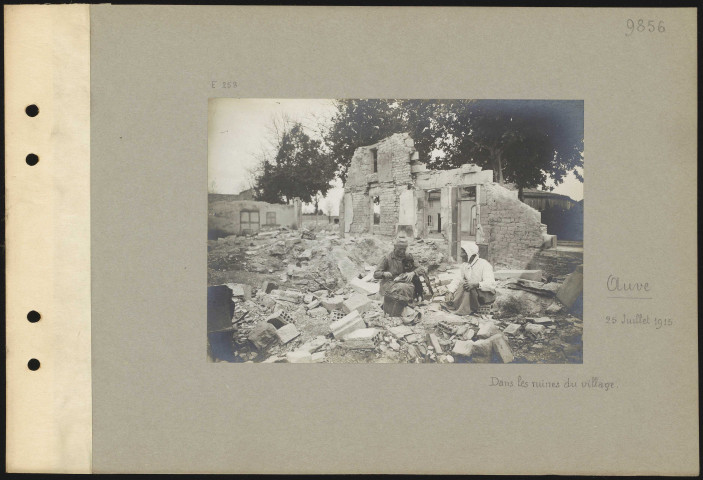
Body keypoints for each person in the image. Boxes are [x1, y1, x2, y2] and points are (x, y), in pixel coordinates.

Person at [443, 241, 496, 315]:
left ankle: (462, 310)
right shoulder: (465, 265)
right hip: (472, 294)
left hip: (484, 295)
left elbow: (491, 284)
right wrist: (450, 291)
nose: (461, 255)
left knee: (468, 288)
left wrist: (475, 285)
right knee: (463, 285)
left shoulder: (484, 264)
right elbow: (457, 279)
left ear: (471, 254)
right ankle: (458, 306)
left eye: (463, 253)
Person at [374, 233, 426, 301]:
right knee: (400, 288)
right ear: (395, 247)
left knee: (408, 286)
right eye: (400, 249)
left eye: (404, 249)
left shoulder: (408, 256)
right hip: (389, 283)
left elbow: (421, 269)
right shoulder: (386, 258)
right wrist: (384, 274)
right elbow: (376, 274)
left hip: (404, 282)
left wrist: (413, 273)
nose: (402, 251)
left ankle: (409, 300)